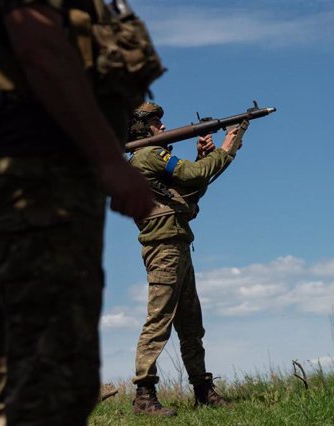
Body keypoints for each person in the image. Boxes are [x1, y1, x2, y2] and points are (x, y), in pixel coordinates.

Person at [0, 0, 156, 424]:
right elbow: (40, 46)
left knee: (18, 368)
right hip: (39, 178)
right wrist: (108, 159)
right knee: (53, 375)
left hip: (40, 177)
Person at [128, 102, 245, 417]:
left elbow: (189, 192)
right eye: (156, 123)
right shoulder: (149, 155)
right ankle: (144, 395)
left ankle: (202, 390)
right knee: (159, 321)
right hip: (164, 248)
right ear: (141, 128)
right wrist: (227, 148)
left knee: (191, 324)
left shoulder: (149, 159)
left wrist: (206, 156)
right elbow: (194, 175)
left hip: (175, 245)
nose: (163, 127)